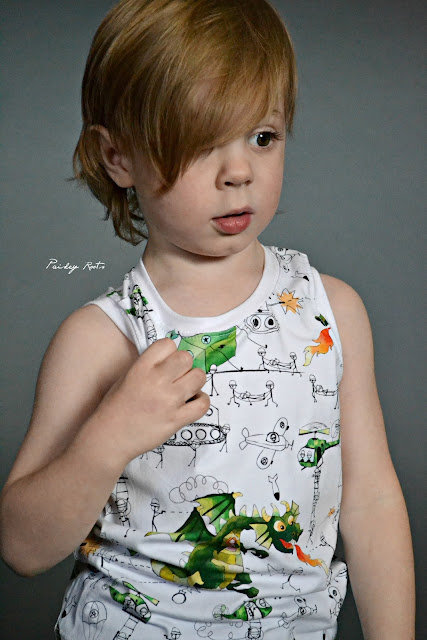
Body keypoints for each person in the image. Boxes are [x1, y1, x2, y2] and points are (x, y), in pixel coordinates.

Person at [0, 0, 415, 638]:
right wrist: (108, 436)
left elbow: (372, 500)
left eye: (262, 137)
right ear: (118, 157)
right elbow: (23, 548)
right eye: (198, 143)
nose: (239, 172)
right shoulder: (103, 339)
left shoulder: (332, 312)